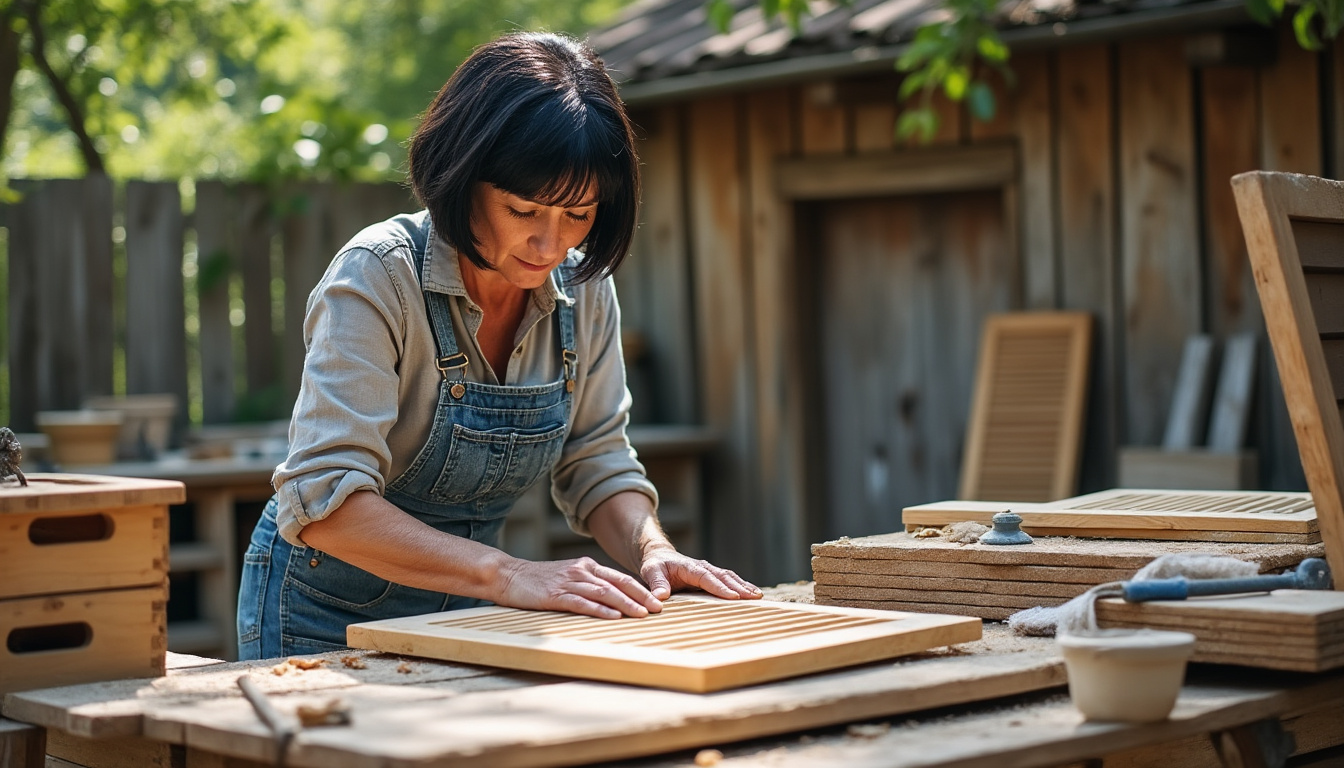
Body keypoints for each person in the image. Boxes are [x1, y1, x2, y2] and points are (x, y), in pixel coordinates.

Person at [236, 31, 760, 660]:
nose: (550, 245)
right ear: (463, 178)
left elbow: (596, 460)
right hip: (322, 618)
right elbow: (323, 500)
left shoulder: (583, 287)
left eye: (579, 215)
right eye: (523, 211)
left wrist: (654, 551)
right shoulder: (377, 277)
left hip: (473, 615)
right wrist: (510, 574)